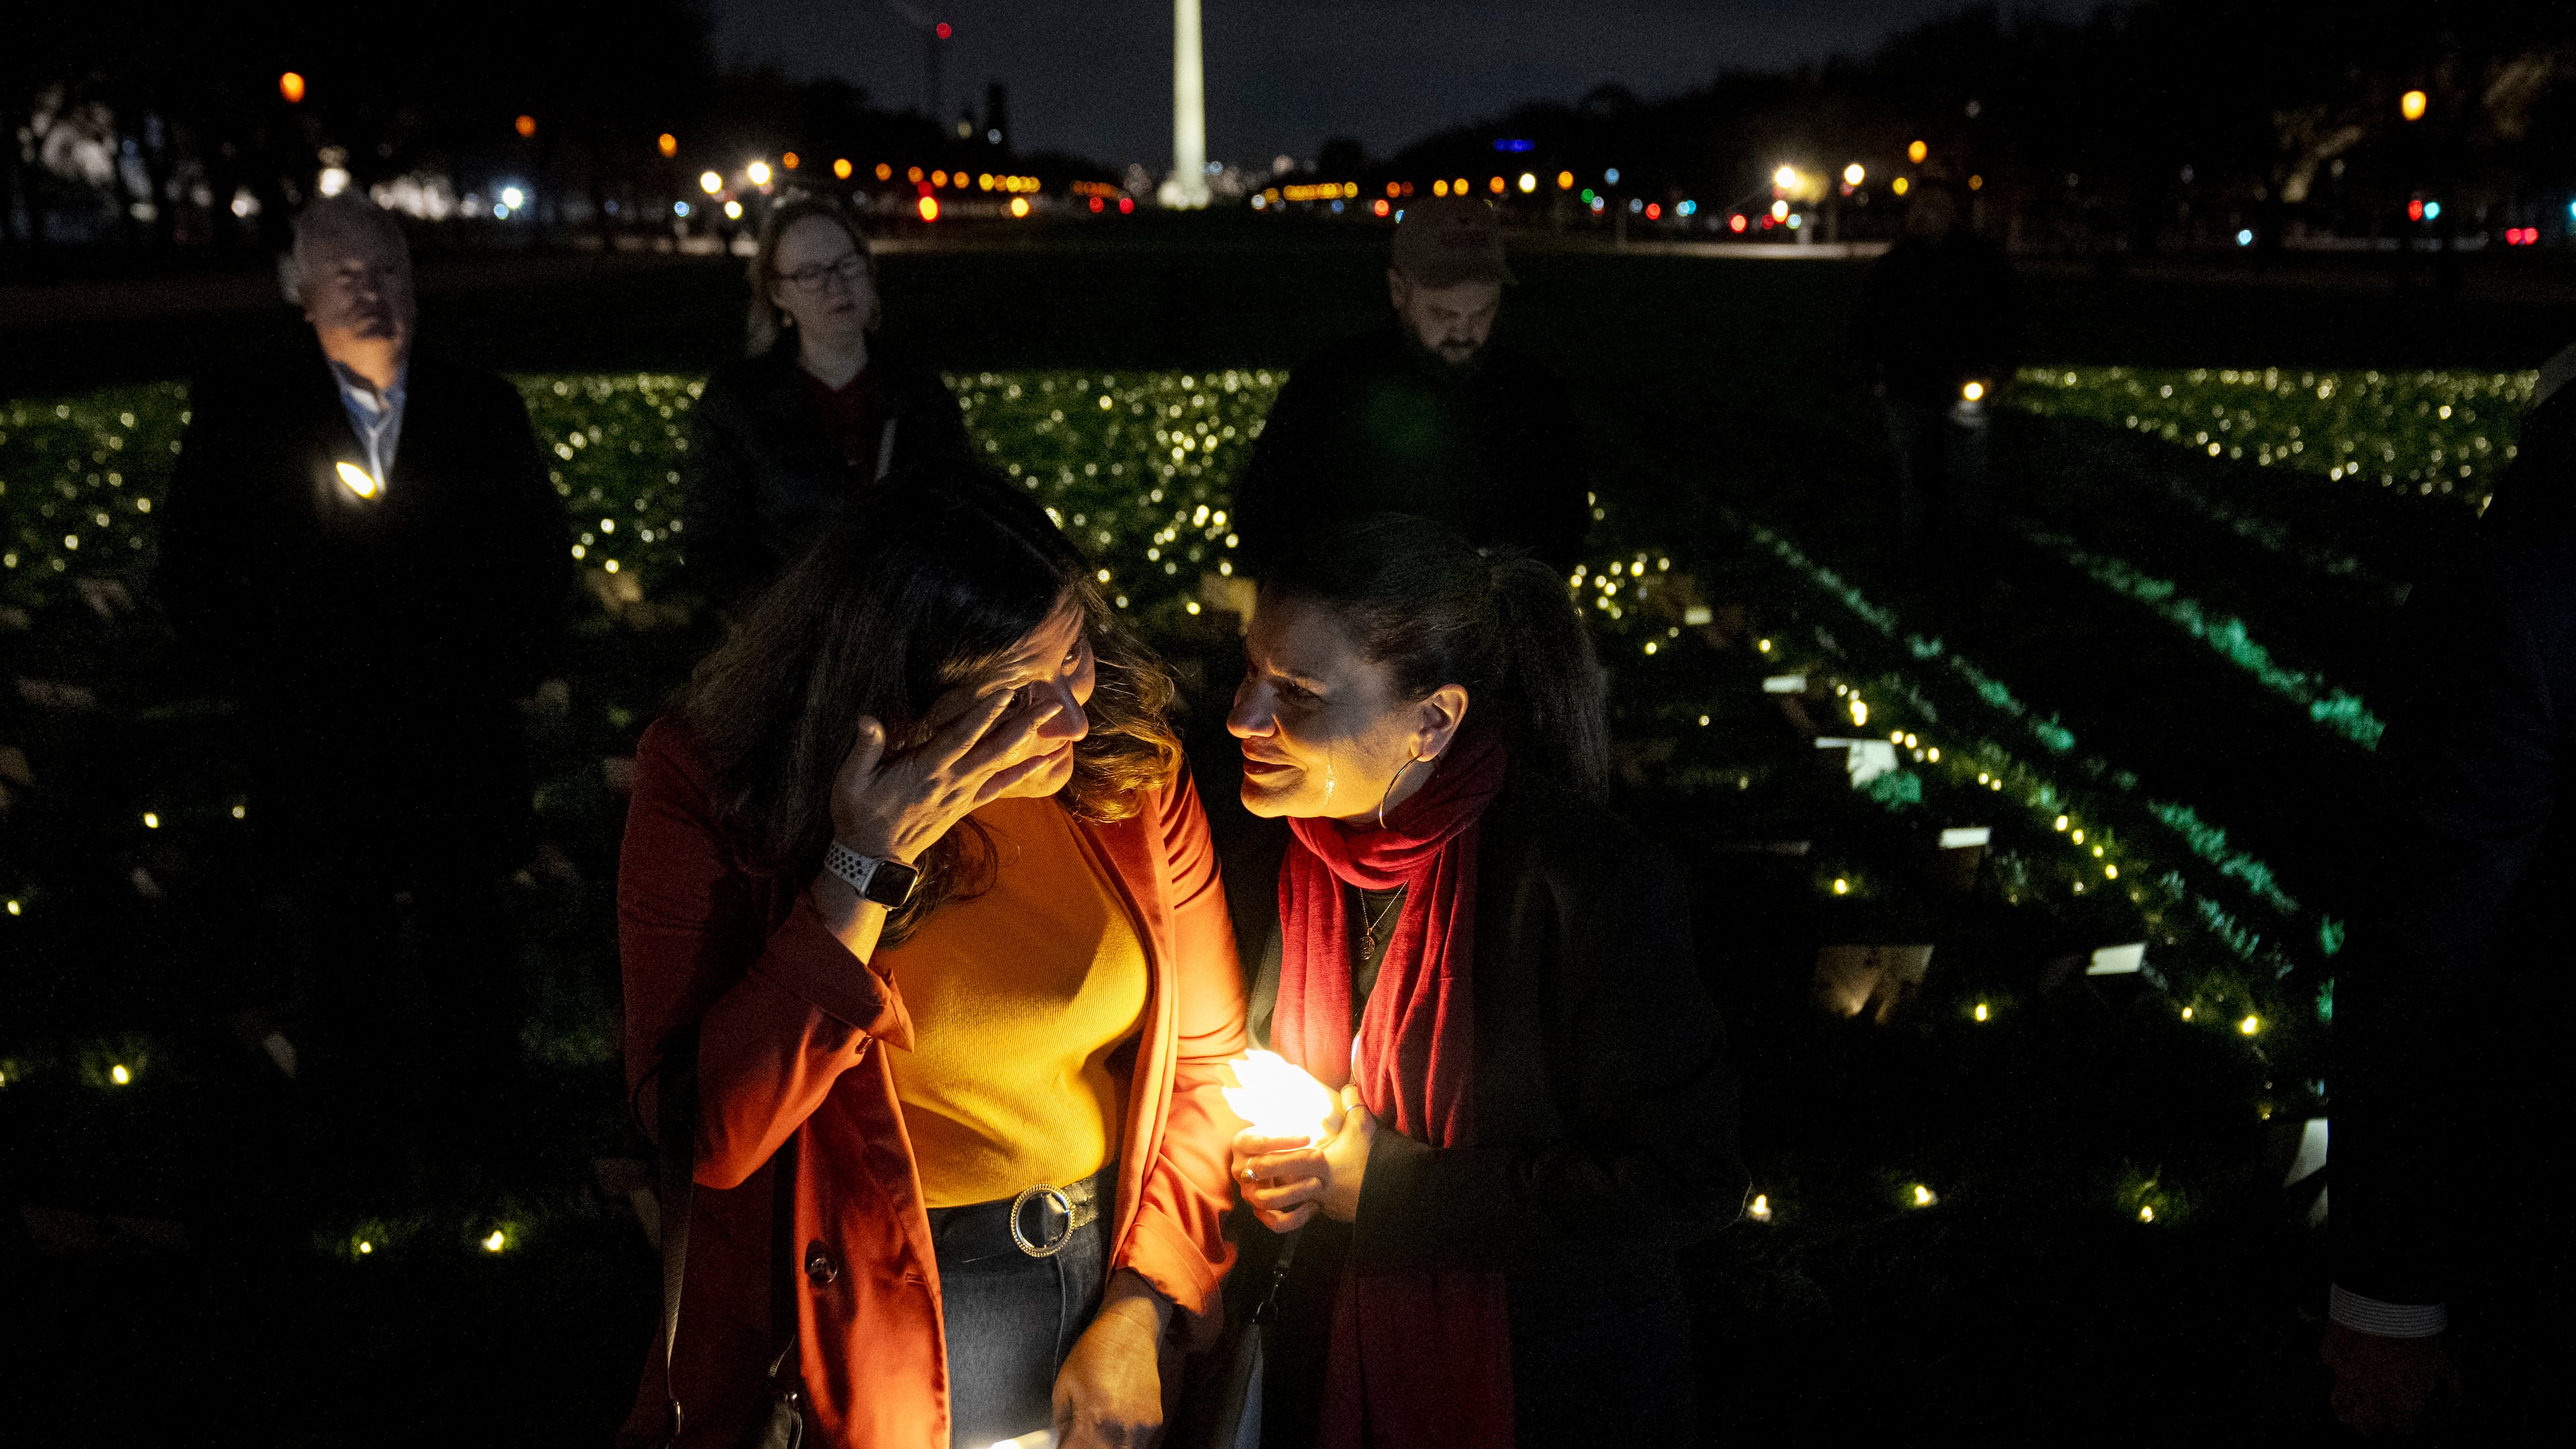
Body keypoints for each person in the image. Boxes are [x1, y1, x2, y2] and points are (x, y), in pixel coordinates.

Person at [616, 469, 1248, 1449]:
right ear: (894, 693)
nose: (1070, 718)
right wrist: (861, 868)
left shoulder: (1128, 771)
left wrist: (1145, 1300)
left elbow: (1206, 1065)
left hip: (1096, 1287)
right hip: (861, 1317)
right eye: (1013, 692)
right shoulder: (715, 785)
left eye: (1074, 655)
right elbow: (709, 1136)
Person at [1221, 514, 1743, 1447]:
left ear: (1433, 720)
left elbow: (1686, 1178)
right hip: (1322, 1371)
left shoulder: (1581, 886)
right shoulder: (1268, 862)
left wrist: (1387, 1192)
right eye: (1251, 670)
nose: (1244, 717)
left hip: (1538, 1389)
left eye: (1297, 692)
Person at [154, 195, 568, 1149]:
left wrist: (495, 665)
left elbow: (538, 558)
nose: (374, 293)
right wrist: (274, 671)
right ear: (299, 292)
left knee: (469, 922)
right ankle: (355, 1119)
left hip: (457, 721)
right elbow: (195, 569)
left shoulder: (479, 406)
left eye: (390, 272)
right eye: (346, 277)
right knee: (340, 925)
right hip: (316, 729)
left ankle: (486, 1117)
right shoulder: (245, 410)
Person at [2324, 341, 2576, 1444]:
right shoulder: (2532, 586)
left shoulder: (2526, 574)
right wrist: (2391, 1293)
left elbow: (2423, 942)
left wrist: (2388, 1297)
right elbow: (2428, 949)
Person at [1230, 197, 1593, 579]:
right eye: (1444, 314)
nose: (1465, 333)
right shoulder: (1329, 390)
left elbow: (1565, 527)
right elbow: (1265, 520)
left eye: (1483, 312)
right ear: (1398, 290)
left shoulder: (1534, 397)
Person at [682, 195, 973, 606]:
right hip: (791, 638)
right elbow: (712, 545)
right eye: (810, 274)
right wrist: (796, 619)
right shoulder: (739, 402)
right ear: (778, 294)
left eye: (846, 264)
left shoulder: (919, 390)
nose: (836, 285)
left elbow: (960, 517)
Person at [1853, 182, 2023, 564]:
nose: (1927, 219)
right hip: (1907, 385)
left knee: (1967, 473)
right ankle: (1918, 551)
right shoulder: (1895, 267)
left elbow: (2005, 319)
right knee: (1915, 474)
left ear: (1951, 215)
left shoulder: (1979, 264)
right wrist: (1874, 375)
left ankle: (1967, 550)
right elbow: (1870, 324)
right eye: (1921, 211)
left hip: (1963, 383)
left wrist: (1999, 370)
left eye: (1937, 210)